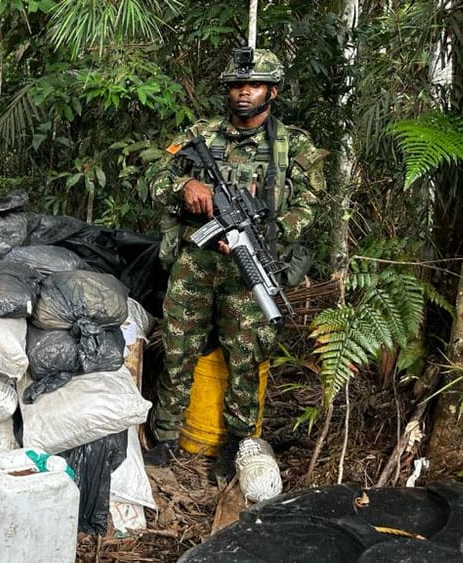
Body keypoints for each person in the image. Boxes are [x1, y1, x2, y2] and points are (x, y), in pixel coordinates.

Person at [144, 48, 327, 480]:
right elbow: (153, 181)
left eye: (255, 85)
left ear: (272, 91)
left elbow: (309, 206)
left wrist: (262, 235)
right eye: (238, 85)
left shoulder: (293, 145)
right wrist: (185, 185)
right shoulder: (200, 135)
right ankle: (166, 436)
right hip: (196, 261)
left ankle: (238, 444)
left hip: (248, 264)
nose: (245, 92)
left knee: (246, 355)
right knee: (178, 347)